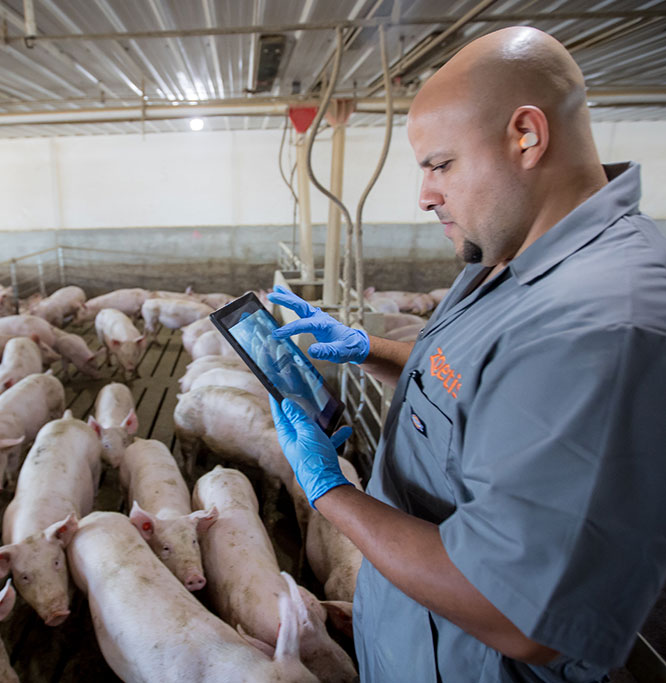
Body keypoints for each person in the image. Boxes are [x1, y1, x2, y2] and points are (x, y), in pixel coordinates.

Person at [267, 26, 666, 683]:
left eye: (441, 164)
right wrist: (371, 350)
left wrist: (330, 491)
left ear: (526, 136)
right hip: (411, 637)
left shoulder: (600, 326)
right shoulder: (508, 253)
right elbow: (471, 382)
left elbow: (519, 613)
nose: (424, 194)